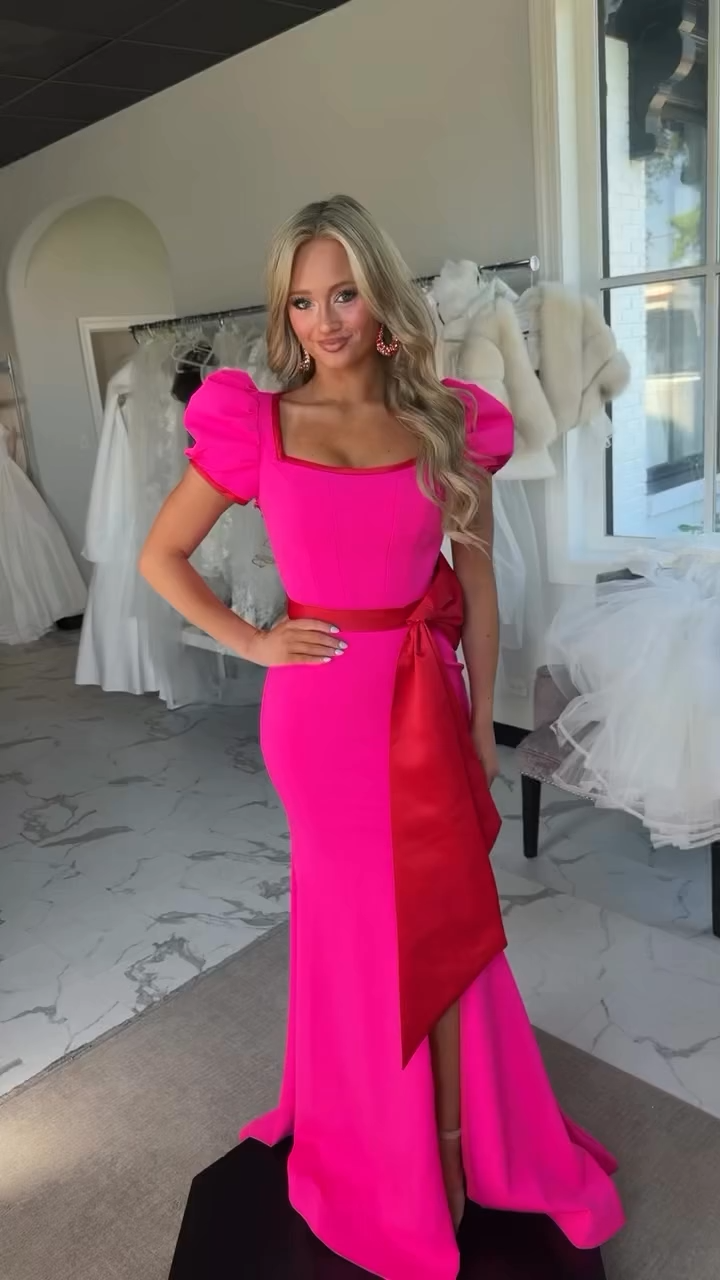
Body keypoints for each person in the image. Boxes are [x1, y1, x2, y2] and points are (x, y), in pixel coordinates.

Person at [139, 195, 623, 1280]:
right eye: (302, 301)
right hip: (317, 720)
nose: (325, 320)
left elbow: (478, 591)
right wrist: (253, 642)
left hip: (427, 702)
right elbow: (160, 555)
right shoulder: (259, 424)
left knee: (444, 921)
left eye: (344, 293)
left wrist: (483, 721)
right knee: (358, 933)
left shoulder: (447, 423)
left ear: (380, 295)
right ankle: (386, 1152)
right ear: (284, 312)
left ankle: (456, 1140)